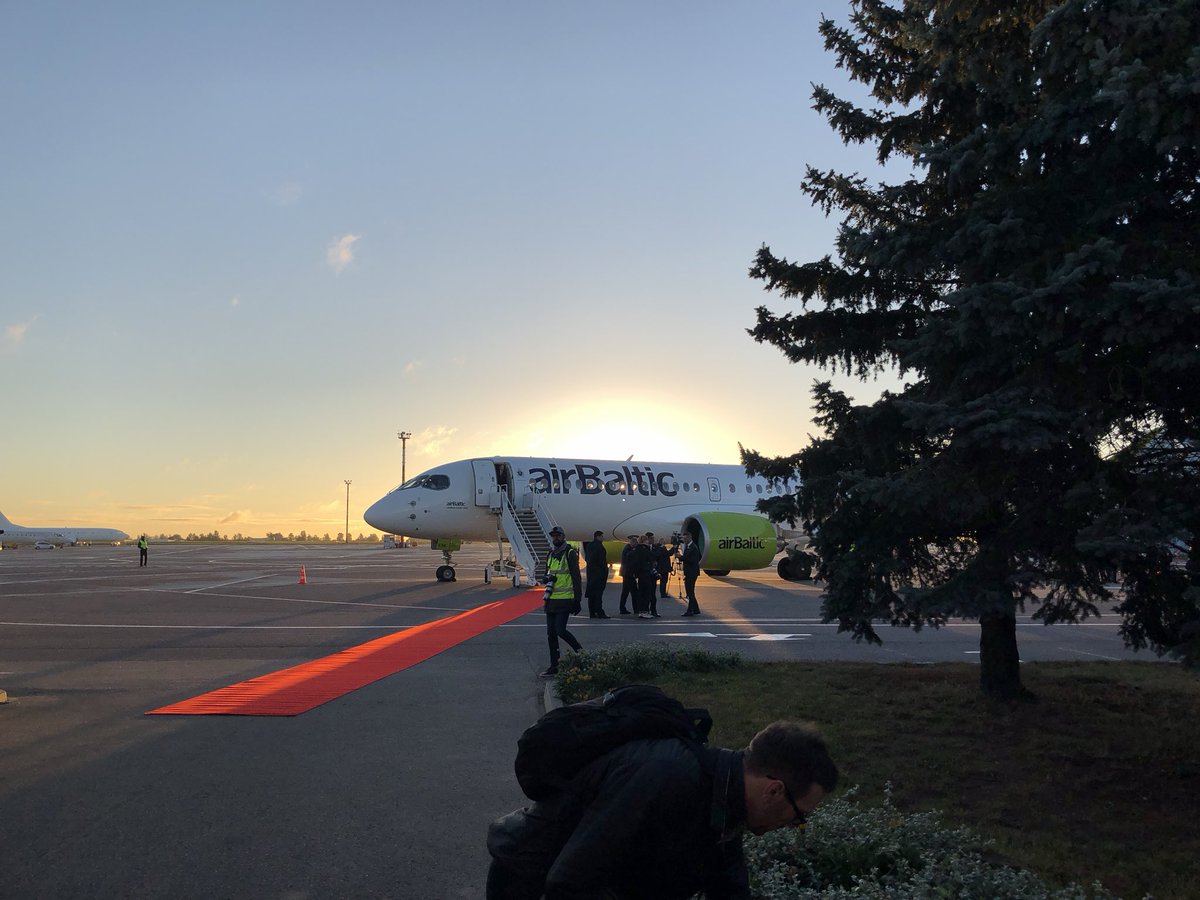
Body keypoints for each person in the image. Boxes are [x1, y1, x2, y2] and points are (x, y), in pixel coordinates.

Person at [485, 719, 838, 899]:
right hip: (529, 883)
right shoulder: (666, 777)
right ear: (775, 790)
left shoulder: (725, 800)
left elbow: (729, 887)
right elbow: (569, 882)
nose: (795, 825)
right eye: (799, 817)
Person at [541, 525, 583, 677]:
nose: (556, 538)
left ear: (563, 537)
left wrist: (577, 599)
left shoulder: (570, 553)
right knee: (551, 634)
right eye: (554, 536)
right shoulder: (551, 553)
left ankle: (581, 653)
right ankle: (554, 665)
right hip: (551, 599)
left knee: (560, 630)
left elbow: (576, 577)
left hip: (565, 599)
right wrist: (547, 578)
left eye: (558, 535)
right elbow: (546, 574)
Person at [582, 531, 609, 619]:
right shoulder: (600, 547)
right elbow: (602, 561)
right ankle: (599, 612)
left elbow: (587, 558)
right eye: (602, 536)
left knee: (591, 594)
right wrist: (605, 571)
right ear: (598, 536)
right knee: (598, 594)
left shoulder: (589, 546)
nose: (603, 538)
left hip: (591, 573)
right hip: (599, 574)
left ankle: (592, 612)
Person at [633, 534, 657, 619]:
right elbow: (652, 556)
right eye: (646, 540)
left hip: (640, 574)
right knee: (647, 593)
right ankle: (645, 611)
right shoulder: (645, 549)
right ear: (644, 541)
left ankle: (641, 611)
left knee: (641, 592)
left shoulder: (637, 549)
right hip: (646, 573)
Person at [679, 531, 701, 616]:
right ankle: (696, 609)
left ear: (689, 538)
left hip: (692, 573)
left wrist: (681, 557)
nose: (684, 540)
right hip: (689, 572)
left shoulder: (693, 548)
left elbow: (691, 560)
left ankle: (690, 610)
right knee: (690, 591)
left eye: (685, 538)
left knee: (690, 592)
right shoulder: (689, 547)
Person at [618, 535, 638, 614]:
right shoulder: (628, 549)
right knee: (634, 592)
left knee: (625, 591)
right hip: (628, 573)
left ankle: (622, 608)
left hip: (626, 573)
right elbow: (629, 558)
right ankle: (636, 609)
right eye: (635, 542)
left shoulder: (627, 548)